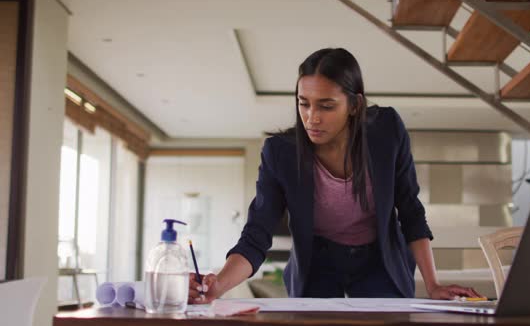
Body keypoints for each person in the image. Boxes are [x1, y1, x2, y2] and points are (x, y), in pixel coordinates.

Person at [188, 48, 481, 303]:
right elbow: (256, 236)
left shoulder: (387, 131)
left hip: (378, 258)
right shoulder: (280, 153)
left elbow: (410, 210)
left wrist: (433, 284)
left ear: (354, 105)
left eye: (326, 106)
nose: (312, 117)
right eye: (304, 103)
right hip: (318, 260)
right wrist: (218, 286)